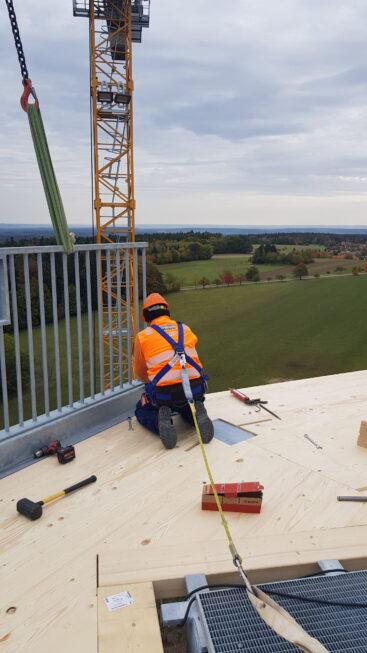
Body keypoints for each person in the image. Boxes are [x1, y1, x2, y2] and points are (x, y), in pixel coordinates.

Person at [133, 293, 214, 449]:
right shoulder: (185, 328)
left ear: (145, 317)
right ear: (167, 312)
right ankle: (196, 415)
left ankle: (161, 419)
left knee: (141, 408)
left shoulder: (143, 337)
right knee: (185, 404)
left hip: (165, 394)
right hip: (195, 388)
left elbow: (141, 373)